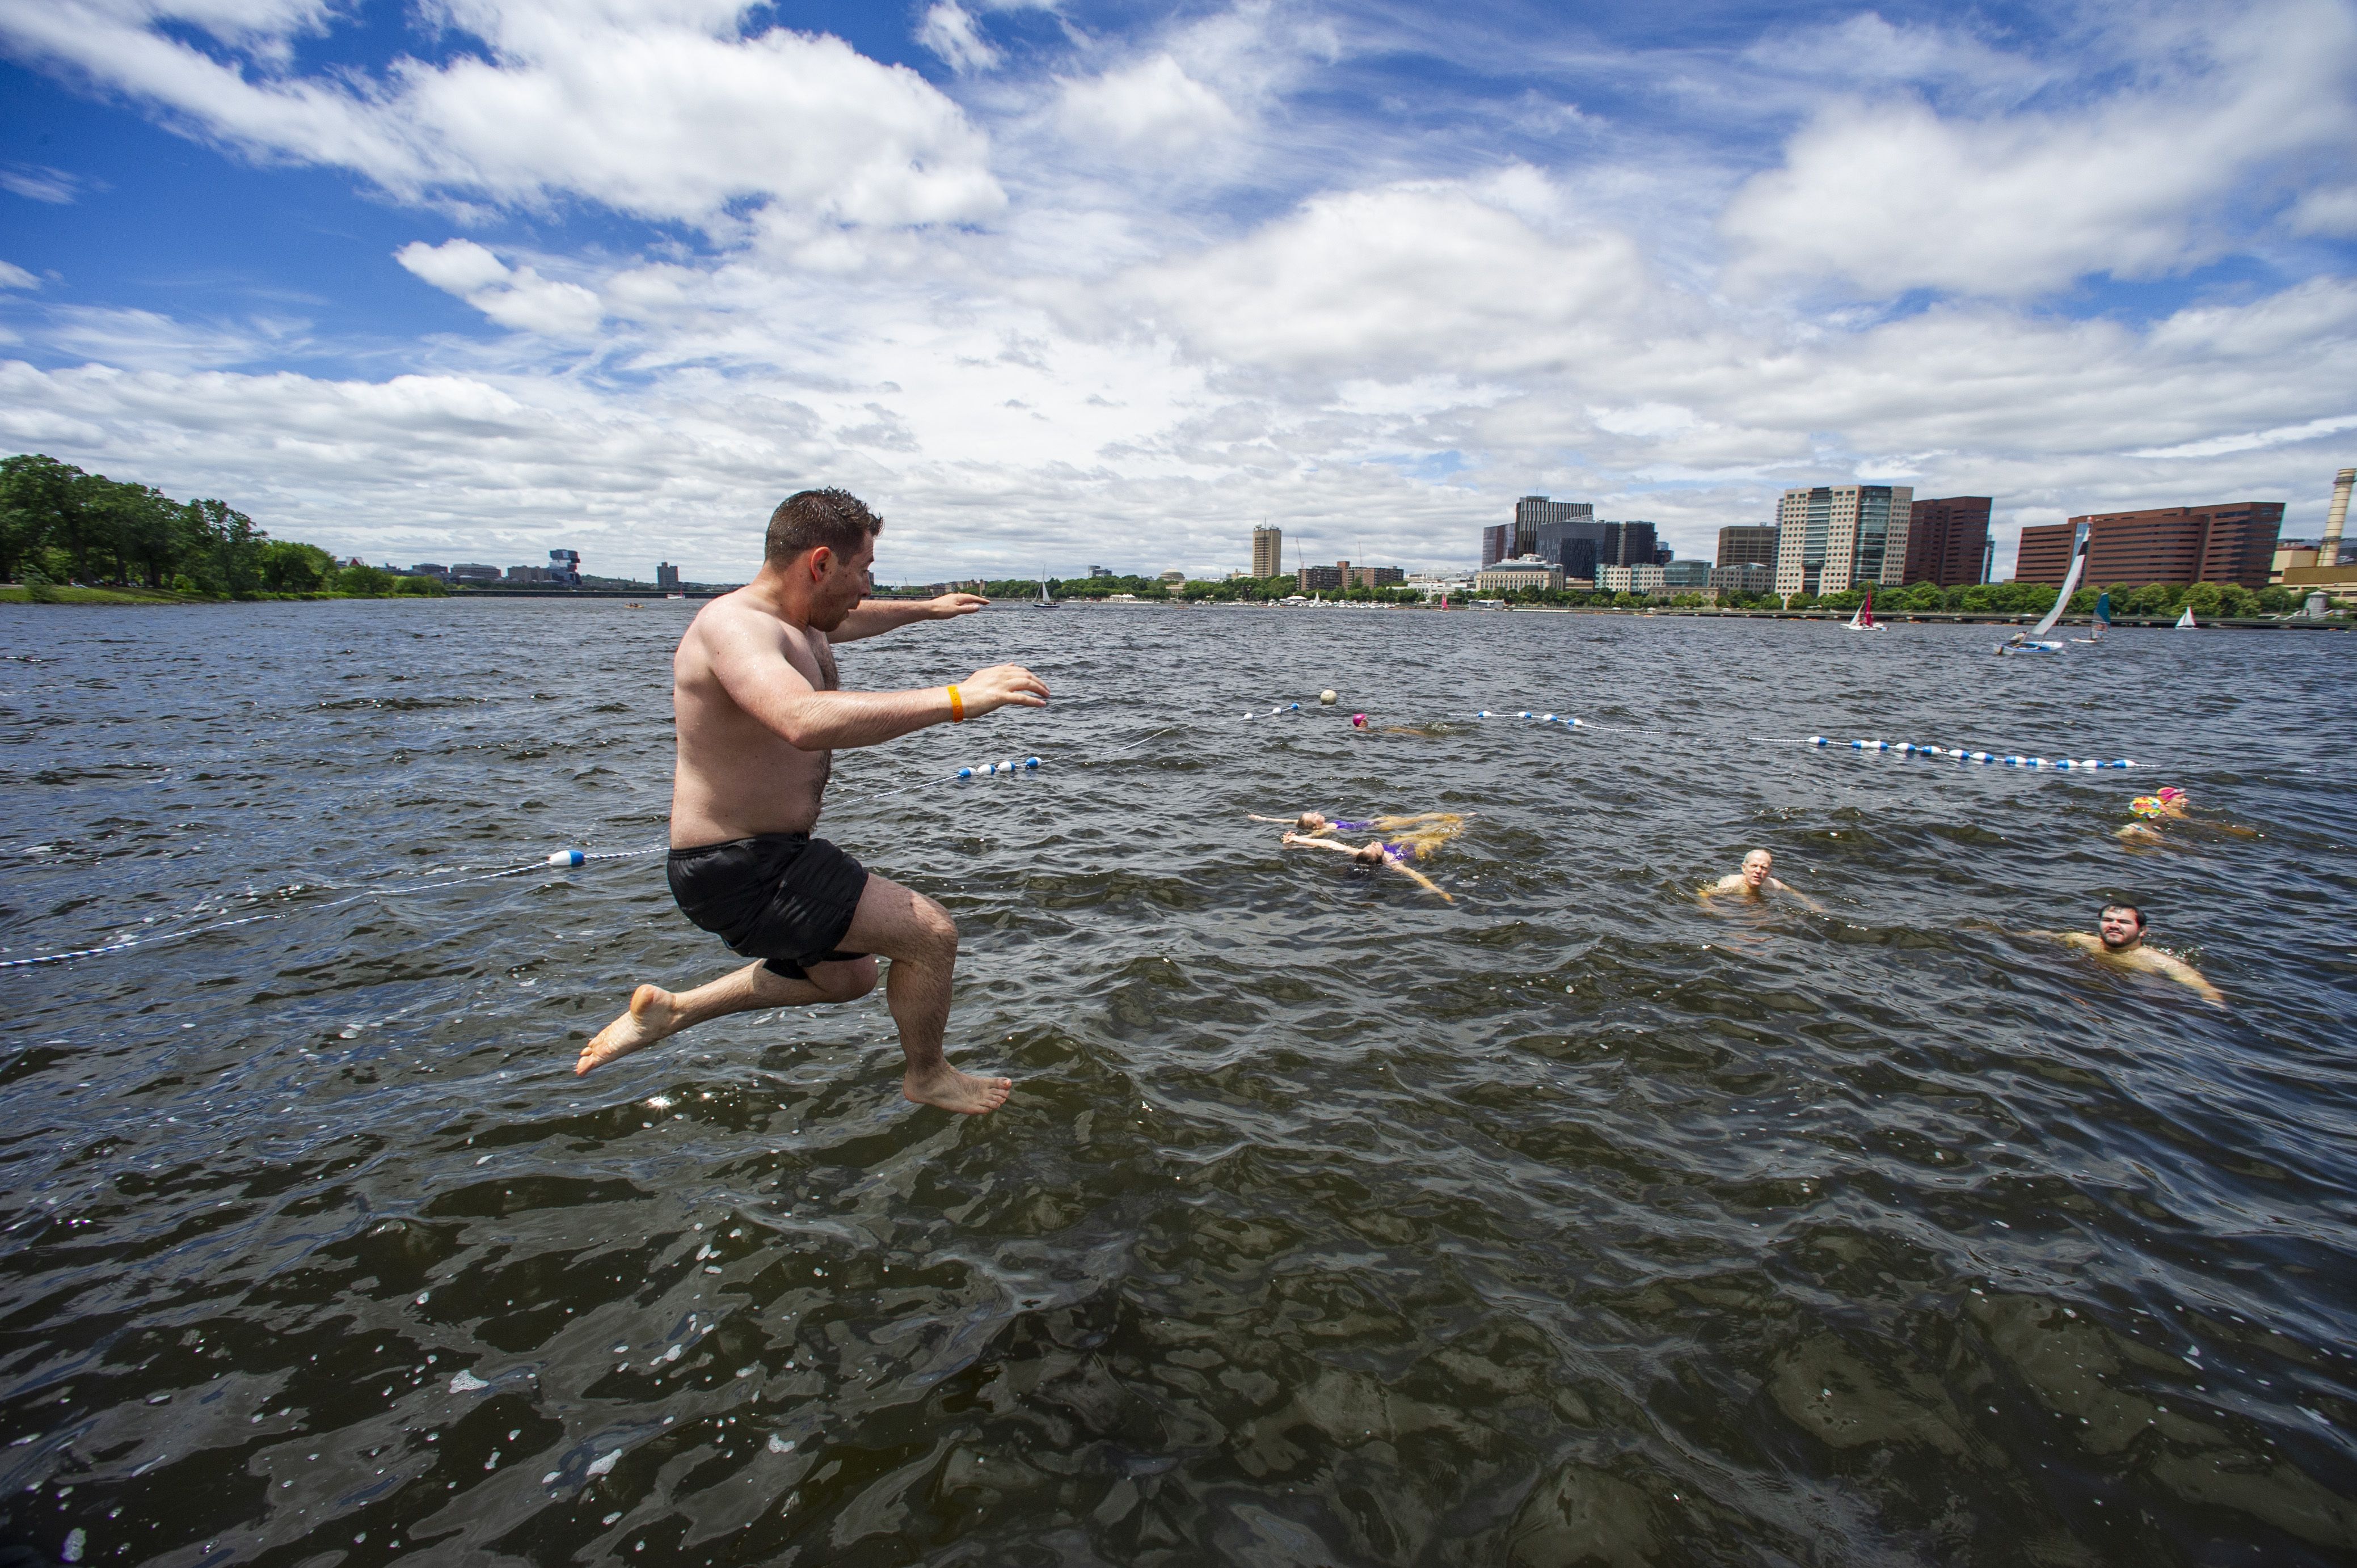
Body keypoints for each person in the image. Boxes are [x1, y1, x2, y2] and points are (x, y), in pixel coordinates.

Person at [576, 488, 1049, 1114]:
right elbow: (800, 718)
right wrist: (959, 697)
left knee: (847, 976)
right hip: (737, 865)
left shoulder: (798, 618)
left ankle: (673, 1011)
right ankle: (928, 1075)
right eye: (862, 572)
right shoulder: (735, 626)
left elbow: (849, 619)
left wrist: (930, 610)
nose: (867, 587)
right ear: (819, 564)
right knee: (930, 935)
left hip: (771, 853)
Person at [2031, 902, 2224, 1005]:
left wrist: (2213, 1002)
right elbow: (2047, 936)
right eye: (2108, 920)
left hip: (2142, 998)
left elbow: (2204, 989)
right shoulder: (2082, 940)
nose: (2114, 925)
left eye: (2124, 922)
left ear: (2142, 931)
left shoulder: (2160, 962)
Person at [1699, 849, 1824, 912]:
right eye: (1754, 866)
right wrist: (1712, 910)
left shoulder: (1773, 884)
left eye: (1763, 868)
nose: (1758, 871)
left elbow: (1796, 894)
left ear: (1769, 872)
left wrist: (1814, 906)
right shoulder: (1731, 883)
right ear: (1744, 868)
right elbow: (1703, 893)